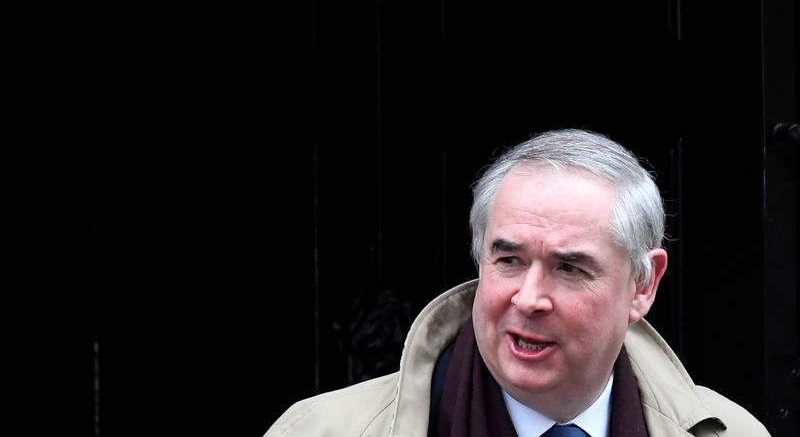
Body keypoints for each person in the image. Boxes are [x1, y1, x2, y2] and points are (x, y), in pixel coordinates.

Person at [266, 128, 770, 437]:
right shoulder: (322, 431)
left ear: (643, 284)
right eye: (508, 260)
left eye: (570, 268)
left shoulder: (734, 433)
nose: (528, 300)